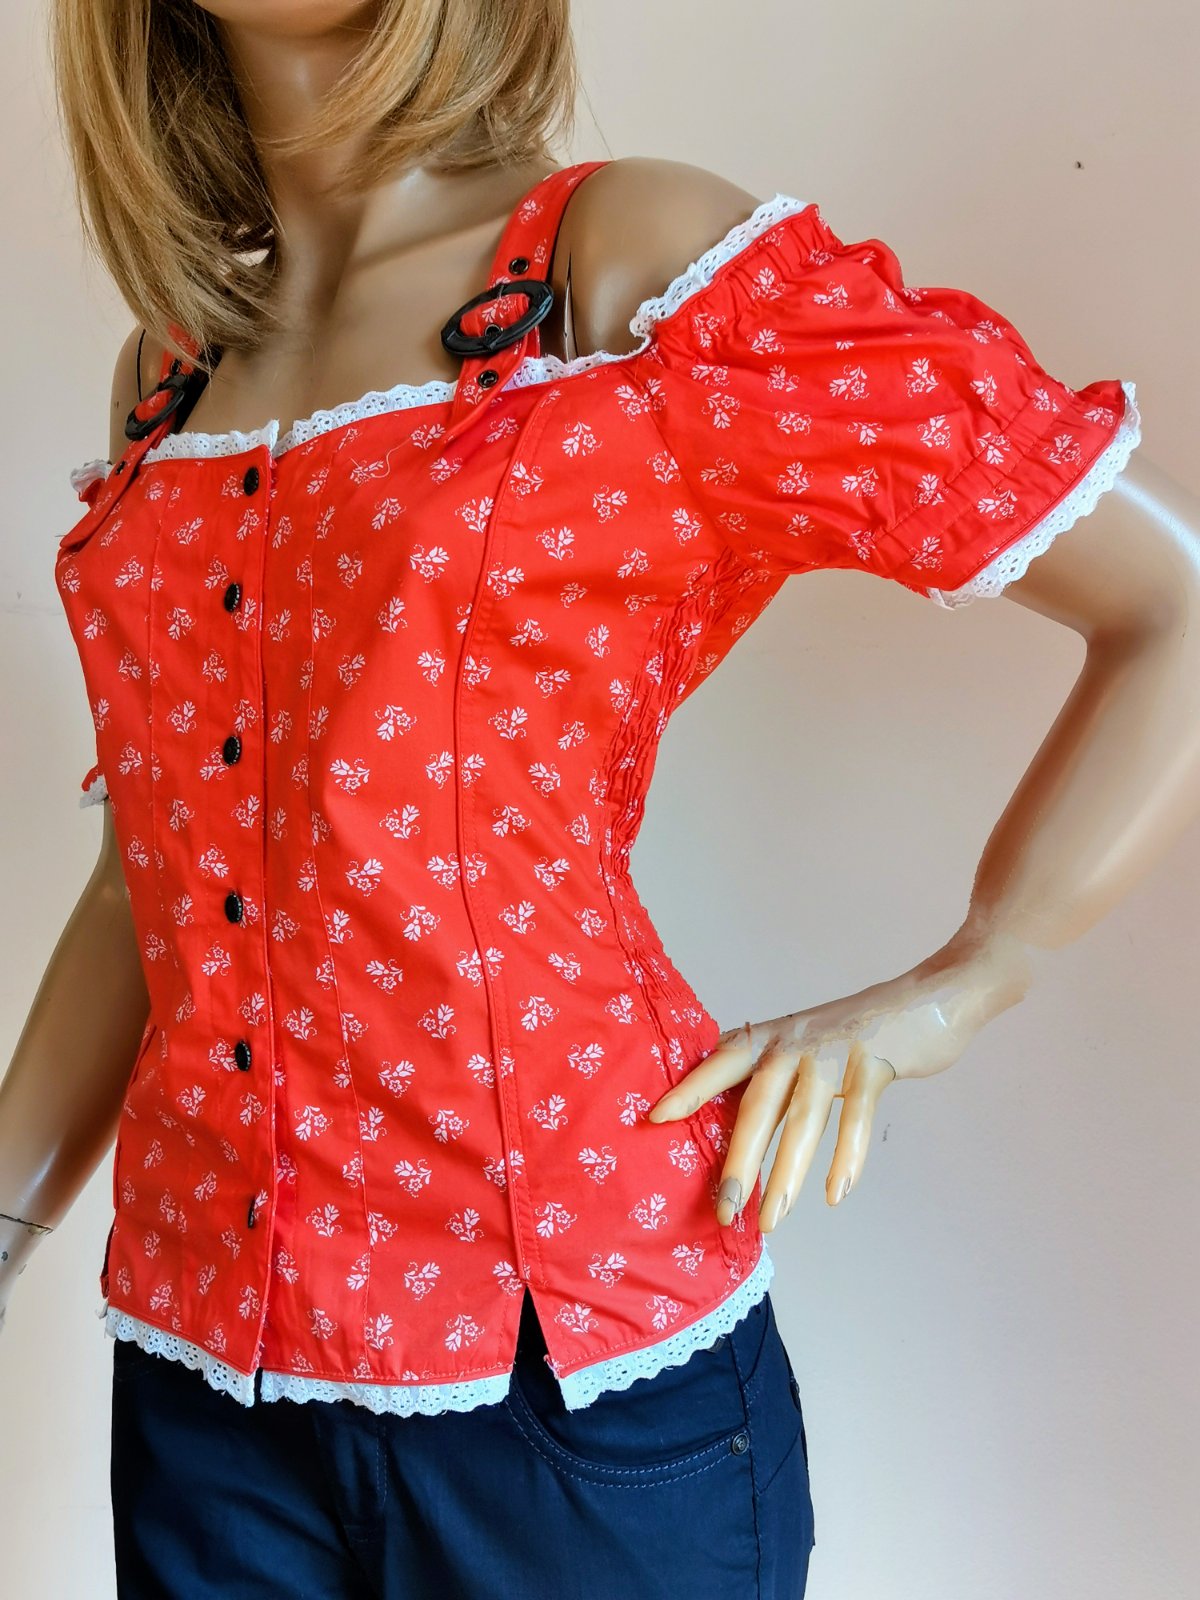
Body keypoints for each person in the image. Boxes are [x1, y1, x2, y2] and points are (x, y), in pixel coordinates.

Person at [2, 2, 1197, 1597]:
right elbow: (147, 874)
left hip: (563, 1367)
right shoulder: (169, 372)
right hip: (207, 1379)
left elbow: (1173, 604)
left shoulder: (622, 275)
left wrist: (974, 971)